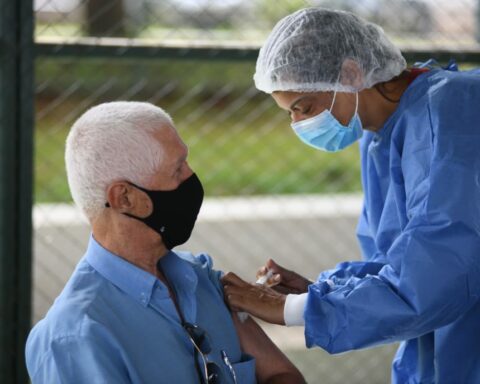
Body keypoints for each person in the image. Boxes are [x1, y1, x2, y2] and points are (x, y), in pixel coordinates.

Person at [222, 7, 480, 384]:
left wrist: (296, 309)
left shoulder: (456, 113)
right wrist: (322, 292)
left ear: (350, 74)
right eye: (288, 113)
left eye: (303, 107)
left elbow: (441, 270)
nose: (298, 125)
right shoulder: (380, 136)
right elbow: (397, 262)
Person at [25, 101, 305, 384]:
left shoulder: (200, 281)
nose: (191, 177)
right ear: (124, 198)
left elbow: (282, 375)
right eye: (177, 169)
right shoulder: (75, 338)